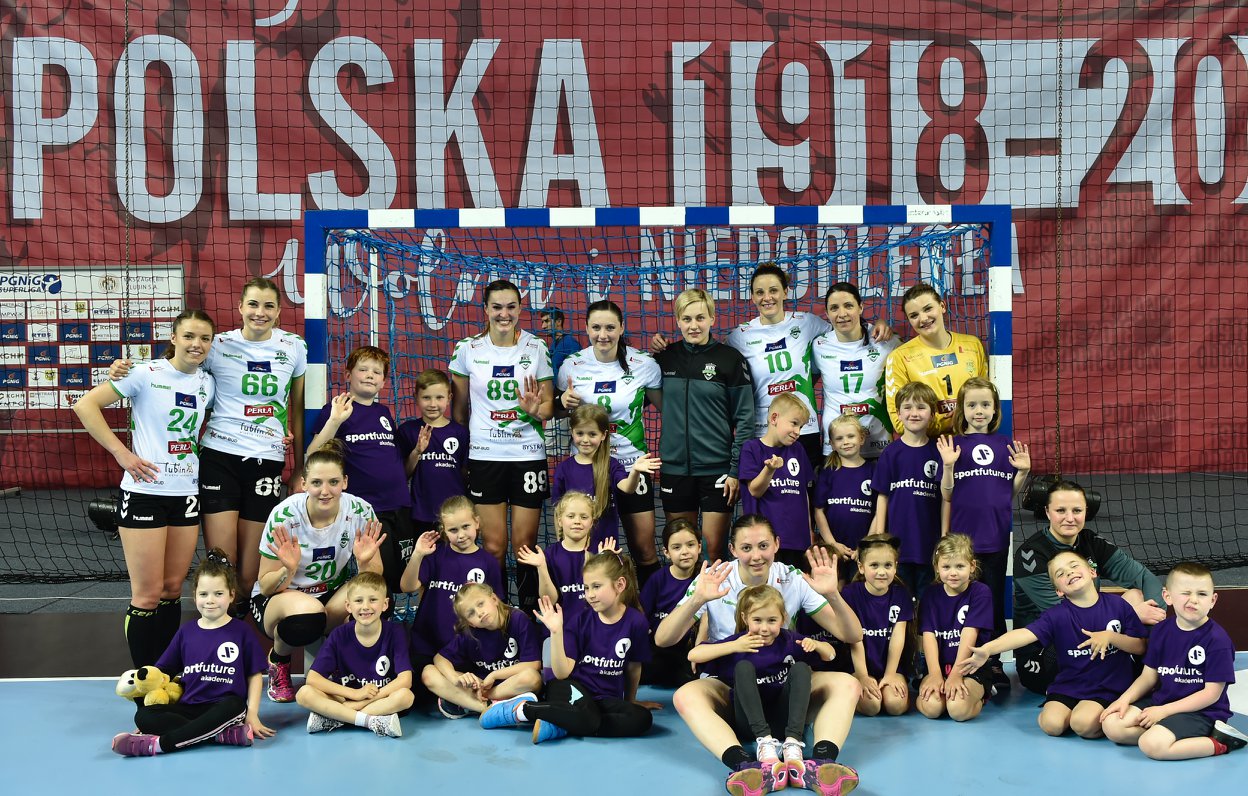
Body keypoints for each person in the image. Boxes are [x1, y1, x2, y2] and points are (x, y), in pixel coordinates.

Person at [112, 279, 307, 606]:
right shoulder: (218, 344)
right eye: (253, 304)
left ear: (278, 311)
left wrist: (299, 466)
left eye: (268, 306)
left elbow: (297, 407)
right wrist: (125, 369)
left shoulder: (294, 346)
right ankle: (218, 626)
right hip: (220, 457)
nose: (260, 312)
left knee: (250, 575)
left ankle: (245, 628)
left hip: (267, 459)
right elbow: (176, 369)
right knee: (223, 563)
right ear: (240, 307)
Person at [654, 514, 862, 795]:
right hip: (733, 688)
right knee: (685, 695)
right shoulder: (715, 579)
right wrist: (698, 599)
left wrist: (833, 595)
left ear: (776, 544)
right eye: (746, 548)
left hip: (785, 687)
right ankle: (745, 766)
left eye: (763, 546)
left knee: (848, 684)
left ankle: (821, 762)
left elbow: (852, 635)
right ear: (732, 549)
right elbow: (664, 639)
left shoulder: (792, 578)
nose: (756, 556)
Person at [75, 309, 217, 667]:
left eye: (204, 338)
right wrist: (122, 454)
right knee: (147, 594)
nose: (196, 344)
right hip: (145, 494)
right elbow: (86, 405)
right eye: (189, 336)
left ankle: (164, 672)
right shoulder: (145, 373)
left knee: (172, 589)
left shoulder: (207, 383)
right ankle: (143, 678)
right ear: (174, 338)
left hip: (185, 494)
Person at [251, 441, 387, 703]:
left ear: (345, 482)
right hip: (282, 598)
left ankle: (340, 667)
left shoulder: (360, 511)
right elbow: (265, 586)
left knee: (372, 600)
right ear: (304, 484)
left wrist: (363, 562)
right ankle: (279, 660)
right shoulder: (284, 516)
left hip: (331, 592)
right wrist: (289, 569)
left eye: (333, 482)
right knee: (310, 617)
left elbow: (375, 577)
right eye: (316, 483)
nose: (325, 491)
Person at [960, 551, 1146, 738]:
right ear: (1059, 591)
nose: (1069, 572)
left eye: (1074, 566)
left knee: (1082, 724)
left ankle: (1090, 715)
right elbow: (1024, 634)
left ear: (1092, 572)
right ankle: (1072, 711)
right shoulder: (1056, 615)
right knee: (1052, 725)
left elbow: (1140, 647)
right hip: (1070, 684)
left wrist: (1111, 637)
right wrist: (988, 649)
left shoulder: (1118, 605)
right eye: (1060, 573)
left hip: (1107, 686)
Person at [450, 279, 554, 613]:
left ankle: (528, 617)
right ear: (486, 309)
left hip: (527, 454)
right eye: (497, 307)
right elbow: (459, 412)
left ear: (520, 309)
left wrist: (534, 409)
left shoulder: (536, 347)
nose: (504, 314)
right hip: (485, 456)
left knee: (525, 546)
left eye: (511, 307)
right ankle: (495, 613)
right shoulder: (467, 349)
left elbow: (548, 409)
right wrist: (462, 457)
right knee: (494, 545)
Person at [480, 552, 657, 743]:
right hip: (568, 688)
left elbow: (633, 667)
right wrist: (556, 632)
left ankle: (561, 722)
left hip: (605, 698)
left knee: (642, 718)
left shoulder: (636, 622)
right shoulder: (579, 620)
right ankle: (522, 710)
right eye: (586, 587)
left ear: (620, 585)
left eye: (597, 586)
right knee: (589, 718)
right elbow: (562, 673)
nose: (590, 594)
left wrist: (630, 702)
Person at [110, 550, 273, 756]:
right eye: (203, 594)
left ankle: (159, 745)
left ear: (231, 595)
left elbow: (254, 675)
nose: (210, 600)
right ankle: (220, 735)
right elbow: (163, 671)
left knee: (235, 705)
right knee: (143, 716)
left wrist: (253, 714)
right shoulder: (186, 632)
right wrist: (149, 715)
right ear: (195, 596)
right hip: (189, 706)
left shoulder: (241, 631)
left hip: (224, 708)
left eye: (218, 594)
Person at [1013, 479, 1167, 695]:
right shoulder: (1030, 556)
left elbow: (1145, 578)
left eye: (1077, 510)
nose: (1070, 518)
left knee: (1137, 595)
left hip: (1094, 637)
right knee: (1130, 610)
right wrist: (1130, 616)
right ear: (1047, 512)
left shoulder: (1090, 541)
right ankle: (1137, 678)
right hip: (1046, 655)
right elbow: (1070, 619)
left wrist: (1157, 617)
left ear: (1086, 511)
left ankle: (1151, 673)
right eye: (1060, 510)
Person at [556, 300, 664, 583]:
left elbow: (668, 408)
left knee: (644, 549)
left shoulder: (644, 365)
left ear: (622, 328)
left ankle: (649, 607)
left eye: (610, 328)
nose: (602, 335)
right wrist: (560, 401)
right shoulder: (571, 366)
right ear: (586, 329)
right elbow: (558, 411)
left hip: (632, 465)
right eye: (596, 328)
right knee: (587, 550)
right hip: (590, 470)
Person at [690, 585, 834, 794]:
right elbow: (693, 655)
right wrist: (733, 646)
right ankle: (765, 744)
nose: (764, 628)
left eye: (772, 620)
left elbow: (830, 655)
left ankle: (793, 744)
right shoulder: (739, 642)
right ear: (745, 618)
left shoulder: (789, 640)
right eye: (757, 620)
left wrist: (817, 645)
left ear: (783, 618)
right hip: (749, 724)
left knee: (802, 668)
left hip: (783, 721)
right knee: (743, 667)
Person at [1101, 562, 1247, 759]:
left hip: (1201, 712)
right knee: (1112, 726)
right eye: (1185, 593)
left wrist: (1164, 711)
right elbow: (1148, 677)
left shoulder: (1217, 640)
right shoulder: (1161, 631)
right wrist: (1123, 700)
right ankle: (1164, 733)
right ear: (1167, 596)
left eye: (1202, 594)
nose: (1193, 600)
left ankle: (1221, 742)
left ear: (1213, 600)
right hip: (1162, 701)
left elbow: (1211, 694)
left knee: (1151, 745)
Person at [937, 376, 1030, 685]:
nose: (979, 411)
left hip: (996, 538)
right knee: (961, 600)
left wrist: (1023, 473)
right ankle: (956, 659)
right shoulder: (954, 445)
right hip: (962, 543)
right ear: (962, 410)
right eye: (972, 405)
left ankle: (993, 661)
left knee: (992, 599)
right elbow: (947, 494)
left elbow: (1007, 494)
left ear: (995, 410)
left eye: (985, 405)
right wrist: (948, 465)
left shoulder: (1004, 445)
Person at [654, 288, 753, 561]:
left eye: (700, 318)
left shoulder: (730, 359)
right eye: (687, 319)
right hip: (675, 469)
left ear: (712, 318)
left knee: (713, 552)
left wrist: (735, 469)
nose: (693, 325)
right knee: (682, 553)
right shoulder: (665, 357)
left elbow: (745, 419)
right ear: (678, 321)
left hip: (717, 471)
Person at [307, 346, 414, 597]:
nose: (369, 375)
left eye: (376, 372)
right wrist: (335, 420)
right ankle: (377, 617)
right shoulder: (335, 409)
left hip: (399, 504)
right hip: (370, 508)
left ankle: (396, 615)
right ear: (348, 375)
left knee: (403, 574)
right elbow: (313, 454)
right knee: (378, 574)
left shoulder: (383, 412)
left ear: (383, 382)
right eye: (363, 369)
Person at [402, 495, 505, 689]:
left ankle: (462, 697)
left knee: (467, 681)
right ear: (444, 530)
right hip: (425, 644)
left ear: (477, 522)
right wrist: (417, 555)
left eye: (466, 526)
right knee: (420, 685)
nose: (461, 535)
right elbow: (407, 587)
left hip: (464, 649)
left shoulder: (488, 562)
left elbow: (497, 604)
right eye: (453, 530)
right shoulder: (436, 554)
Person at [295, 571, 413, 737]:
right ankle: (370, 721)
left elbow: (405, 680)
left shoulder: (395, 632)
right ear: (348, 606)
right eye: (358, 601)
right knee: (304, 694)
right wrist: (355, 694)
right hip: (345, 698)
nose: (365, 606)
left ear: (385, 604)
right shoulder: (339, 635)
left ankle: (337, 717)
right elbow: (313, 679)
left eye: (373, 600)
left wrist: (359, 703)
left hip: (379, 698)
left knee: (406, 696)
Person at [421, 582, 544, 719]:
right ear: (470, 623)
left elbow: (534, 664)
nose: (479, 613)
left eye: (480, 604)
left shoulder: (518, 619)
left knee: (532, 678)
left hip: (510, 685)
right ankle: (487, 708)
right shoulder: (470, 633)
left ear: (494, 599)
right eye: (471, 613)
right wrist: (454, 678)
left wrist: (495, 675)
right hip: (480, 685)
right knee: (428, 672)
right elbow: (440, 658)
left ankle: (471, 703)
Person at [551, 403, 659, 549]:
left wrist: (635, 471)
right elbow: (558, 511)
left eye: (592, 434)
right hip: (574, 549)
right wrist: (561, 544)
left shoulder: (611, 465)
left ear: (603, 435)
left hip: (606, 551)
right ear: (572, 432)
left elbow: (627, 487)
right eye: (580, 433)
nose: (585, 440)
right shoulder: (564, 469)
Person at [884, 282, 987, 436]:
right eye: (914, 315)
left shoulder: (972, 345)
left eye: (928, 309)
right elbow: (899, 423)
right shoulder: (899, 357)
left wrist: (967, 416)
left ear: (942, 306)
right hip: (928, 446)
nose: (923, 318)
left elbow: (987, 400)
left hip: (972, 440)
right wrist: (949, 422)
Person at [812, 282, 900, 459]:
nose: (842, 314)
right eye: (834, 308)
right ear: (827, 313)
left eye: (848, 306)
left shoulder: (885, 341)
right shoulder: (819, 345)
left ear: (860, 307)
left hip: (878, 443)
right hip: (836, 448)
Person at [870, 381, 942, 590]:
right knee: (899, 601)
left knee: (927, 601)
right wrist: (880, 539)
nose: (914, 413)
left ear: (932, 414)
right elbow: (882, 496)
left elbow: (946, 498)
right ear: (899, 414)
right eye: (908, 408)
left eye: (921, 407)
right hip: (897, 548)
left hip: (930, 546)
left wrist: (944, 537)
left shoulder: (939, 451)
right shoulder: (891, 453)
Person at [916, 534, 993, 722]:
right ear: (937, 567)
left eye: (960, 566)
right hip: (938, 666)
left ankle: (983, 695)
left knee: (957, 710)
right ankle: (925, 694)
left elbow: (969, 634)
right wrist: (935, 674)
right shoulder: (930, 595)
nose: (953, 573)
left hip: (970, 668)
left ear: (972, 566)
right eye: (946, 567)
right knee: (933, 708)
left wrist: (957, 674)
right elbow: (928, 636)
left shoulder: (980, 592)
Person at [738, 393, 816, 570]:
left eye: (801, 427)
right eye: (794, 423)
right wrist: (770, 469)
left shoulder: (798, 449)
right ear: (774, 418)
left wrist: (809, 529)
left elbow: (803, 492)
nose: (797, 432)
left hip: (797, 539)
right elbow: (754, 491)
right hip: (764, 543)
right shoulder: (752, 448)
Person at [517, 491, 615, 629]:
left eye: (584, 517)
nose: (577, 521)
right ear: (560, 521)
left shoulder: (600, 551)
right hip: (560, 629)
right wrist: (541, 567)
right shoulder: (548, 556)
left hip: (596, 628)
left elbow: (612, 598)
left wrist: (608, 563)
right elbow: (550, 601)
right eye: (571, 516)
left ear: (592, 522)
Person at [842, 534, 912, 717]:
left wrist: (890, 674)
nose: (882, 572)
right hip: (860, 667)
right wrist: (863, 676)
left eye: (888, 565)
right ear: (861, 567)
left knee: (895, 705)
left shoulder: (901, 595)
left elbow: (898, 637)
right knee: (871, 706)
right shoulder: (850, 594)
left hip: (890, 666)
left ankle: (892, 684)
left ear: (895, 567)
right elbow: (855, 639)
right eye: (874, 565)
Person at [397, 369, 469, 537]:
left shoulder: (460, 433)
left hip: (455, 513)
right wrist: (417, 451)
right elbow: (403, 475)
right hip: (421, 513)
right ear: (416, 398)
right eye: (426, 397)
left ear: (449, 398)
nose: (432, 404)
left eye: (439, 397)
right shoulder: (408, 431)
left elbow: (465, 474)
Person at [813, 415, 878, 582]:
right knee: (835, 588)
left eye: (850, 436)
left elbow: (879, 513)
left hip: (862, 550)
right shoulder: (828, 471)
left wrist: (865, 545)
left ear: (862, 438)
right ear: (832, 444)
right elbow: (818, 511)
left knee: (858, 590)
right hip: (832, 550)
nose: (846, 442)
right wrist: (832, 544)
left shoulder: (873, 471)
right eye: (839, 438)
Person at [639, 518, 702, 687]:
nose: (685, 552)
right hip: (660, 646)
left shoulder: (704, 578)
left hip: (689, 648)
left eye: (690, 545)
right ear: (666, 552)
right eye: (677, 547)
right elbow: (641, 615)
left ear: (699, 547)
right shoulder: (657, 579)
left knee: (691, 676)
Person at [540, 307, 583, 379]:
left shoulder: (570, 343)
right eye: (542, 322)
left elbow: (580, 371)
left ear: (559, 322)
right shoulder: (553, 345)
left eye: (547, 321)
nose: (543, 326)